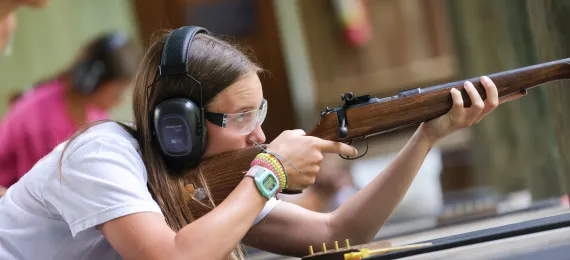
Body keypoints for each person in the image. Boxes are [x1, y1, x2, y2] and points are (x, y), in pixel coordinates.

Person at [0, 25, 523, 260]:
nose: (259, 133)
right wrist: (269, 170)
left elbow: (340, 231)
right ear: (179, 125)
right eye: (242, 116)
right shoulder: (102, 154)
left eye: (261, 111)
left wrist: (427, 136)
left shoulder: (203, 183)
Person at [0, 32, 139, 190]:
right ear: (92, 79)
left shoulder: (94, 111)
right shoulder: (40, 119)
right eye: (118, 93)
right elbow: (40, 193)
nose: (121, 102)